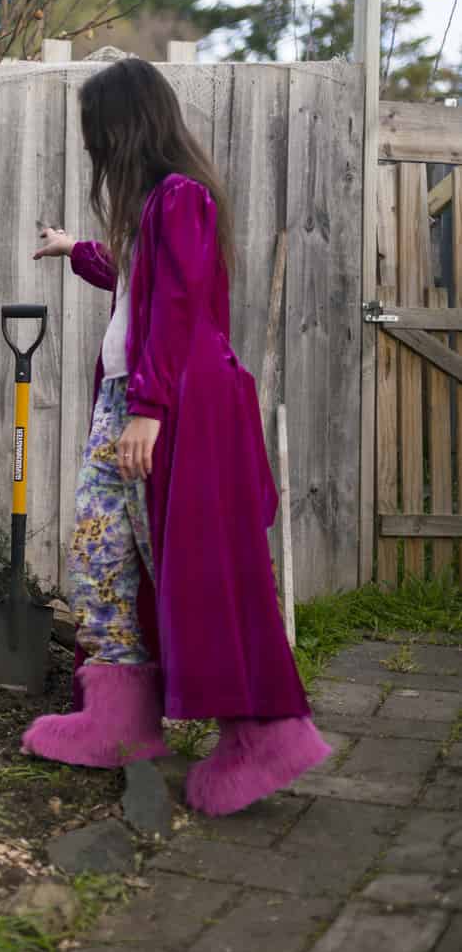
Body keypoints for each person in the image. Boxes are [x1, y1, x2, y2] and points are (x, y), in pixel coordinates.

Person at [21, 58, 330, 817]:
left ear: (123, 126)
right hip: (129, 398)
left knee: (193, 566)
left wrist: (149, 408)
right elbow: (141, 281)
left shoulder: (183, 198)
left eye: (96, 130)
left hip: (166, 407)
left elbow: (181, 303)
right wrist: (74, 250)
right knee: (102, 553)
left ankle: (262, 734)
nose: (92, 145)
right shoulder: (154, 206)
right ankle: (118, 716)